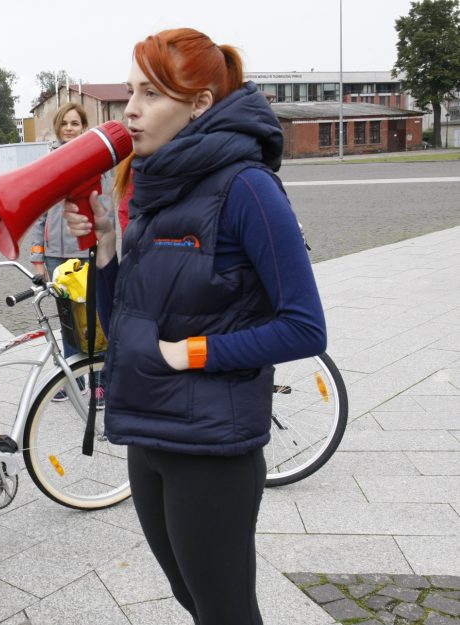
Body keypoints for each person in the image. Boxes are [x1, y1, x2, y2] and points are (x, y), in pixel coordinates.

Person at [63, 28, 327, 625]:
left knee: (226, 610)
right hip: (150, 438)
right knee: (192, 599)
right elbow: (122, 324)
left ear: (200, 104)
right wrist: (106, 247)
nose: (130, 109)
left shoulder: (247, 188)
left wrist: (194, 353)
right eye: (130, 92)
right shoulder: (156, 185)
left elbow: (305, 326)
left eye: (151, 94)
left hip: (210, 448)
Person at [28, 102, 114, 404]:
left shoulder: (98, 163)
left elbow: (107, 206)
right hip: (55, 255)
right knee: (66, 320)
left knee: (95, 318)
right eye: (64, 123)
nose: (69, 128)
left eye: (75, 123)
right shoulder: (48, 164)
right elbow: (38, 214)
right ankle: (70, 379)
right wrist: (37, 259)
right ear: (57, 127)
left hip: (88, 252)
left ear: (84, 127)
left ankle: (100, 381)